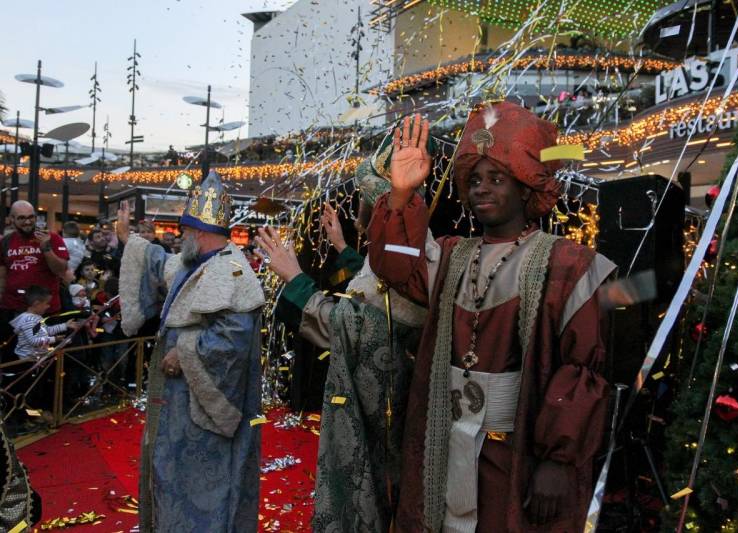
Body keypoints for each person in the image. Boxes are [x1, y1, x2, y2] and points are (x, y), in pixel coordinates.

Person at [368, 107, 615, 532]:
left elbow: (581, 372)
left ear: (525, 189)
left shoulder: (570, 264)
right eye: (476, 180)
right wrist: (401, 195)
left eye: (497, 179)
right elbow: (395, 268)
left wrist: (557, 461)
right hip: (445, 444)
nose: (482, 189)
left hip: (516, 454)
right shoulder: (448, 255)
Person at [256, 144, 430, 531]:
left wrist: (294, 277)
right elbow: (373, 282)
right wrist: (341, 247)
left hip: (382, 424)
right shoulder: (402, 249)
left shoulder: (412, 258)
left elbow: (361, 323)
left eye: (366, 207)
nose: (358, 215)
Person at [118, 170, 265, 532]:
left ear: (198, 233)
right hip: (179, 406)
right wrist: (129, 240)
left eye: (184, 232)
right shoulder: (194, 264)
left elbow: (232, 342)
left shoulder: (233, 273)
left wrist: (183, 353)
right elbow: (160, 264)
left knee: (206, 491)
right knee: (172, 483)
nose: (180, 238)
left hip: (206, 416)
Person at [0, 201, 70, 359]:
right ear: (11, 219)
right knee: (13, 359)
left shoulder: (52, 238)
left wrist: (46, 247)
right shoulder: (5, 242)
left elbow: (60, 270)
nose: (27, 221)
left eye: (31, 217)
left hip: (45, 311)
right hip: (13, 311)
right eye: (21, 218)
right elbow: (2, 276)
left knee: (45, 360)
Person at [10, 285, 79, 361]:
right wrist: (54, 339)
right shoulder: (29, 320)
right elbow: (34, 341)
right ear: (36, 304)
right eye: (47, 303)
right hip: (29, 360)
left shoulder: (36, 318)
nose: (48, 306)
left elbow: (46, 330)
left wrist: (65, 326)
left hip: (37, 357)